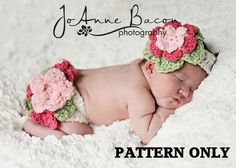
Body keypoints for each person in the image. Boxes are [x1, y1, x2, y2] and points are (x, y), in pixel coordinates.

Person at [22, 20, 217, 144]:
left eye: (193, 89)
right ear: (150, 68)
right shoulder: (140, 96)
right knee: (80, 134)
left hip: (63, 78)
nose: (184, 92)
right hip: (71, 104)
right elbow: (147, 134)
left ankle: (30, 109)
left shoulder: (135, 67)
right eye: (179, 80)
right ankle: (33, 126)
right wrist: (167, 110)